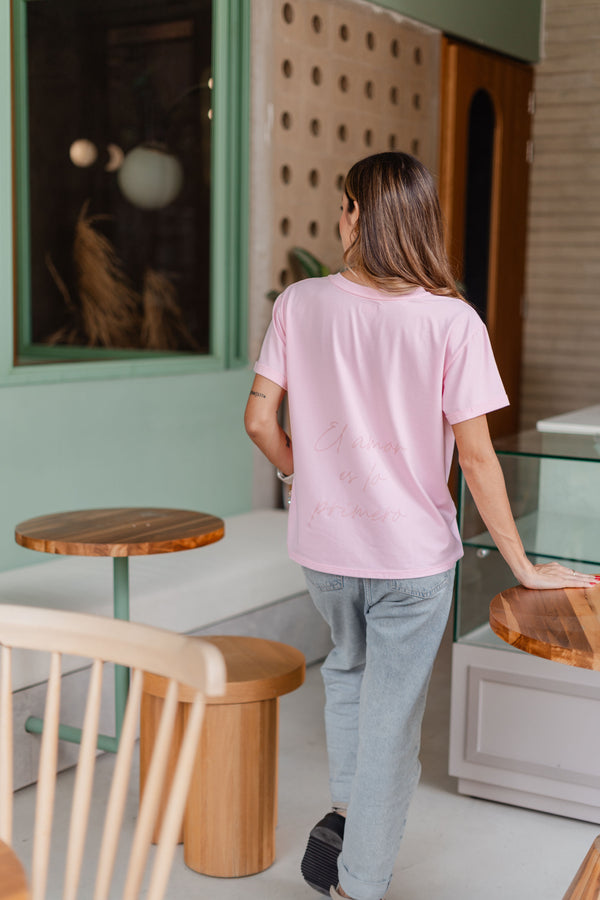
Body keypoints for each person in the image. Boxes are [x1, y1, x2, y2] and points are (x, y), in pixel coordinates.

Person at [244, 151, 597, 900]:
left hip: (324, 551)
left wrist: (300, 475)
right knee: (393, 721)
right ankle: (359, 883)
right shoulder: (452, 321)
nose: (339, 217)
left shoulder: (299, 303)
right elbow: (476, 457)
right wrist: (523, 565)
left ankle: (348, 813)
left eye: (345, 205)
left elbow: (259, 420)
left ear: (359, 216)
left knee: (347, 670)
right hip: (412, 560)